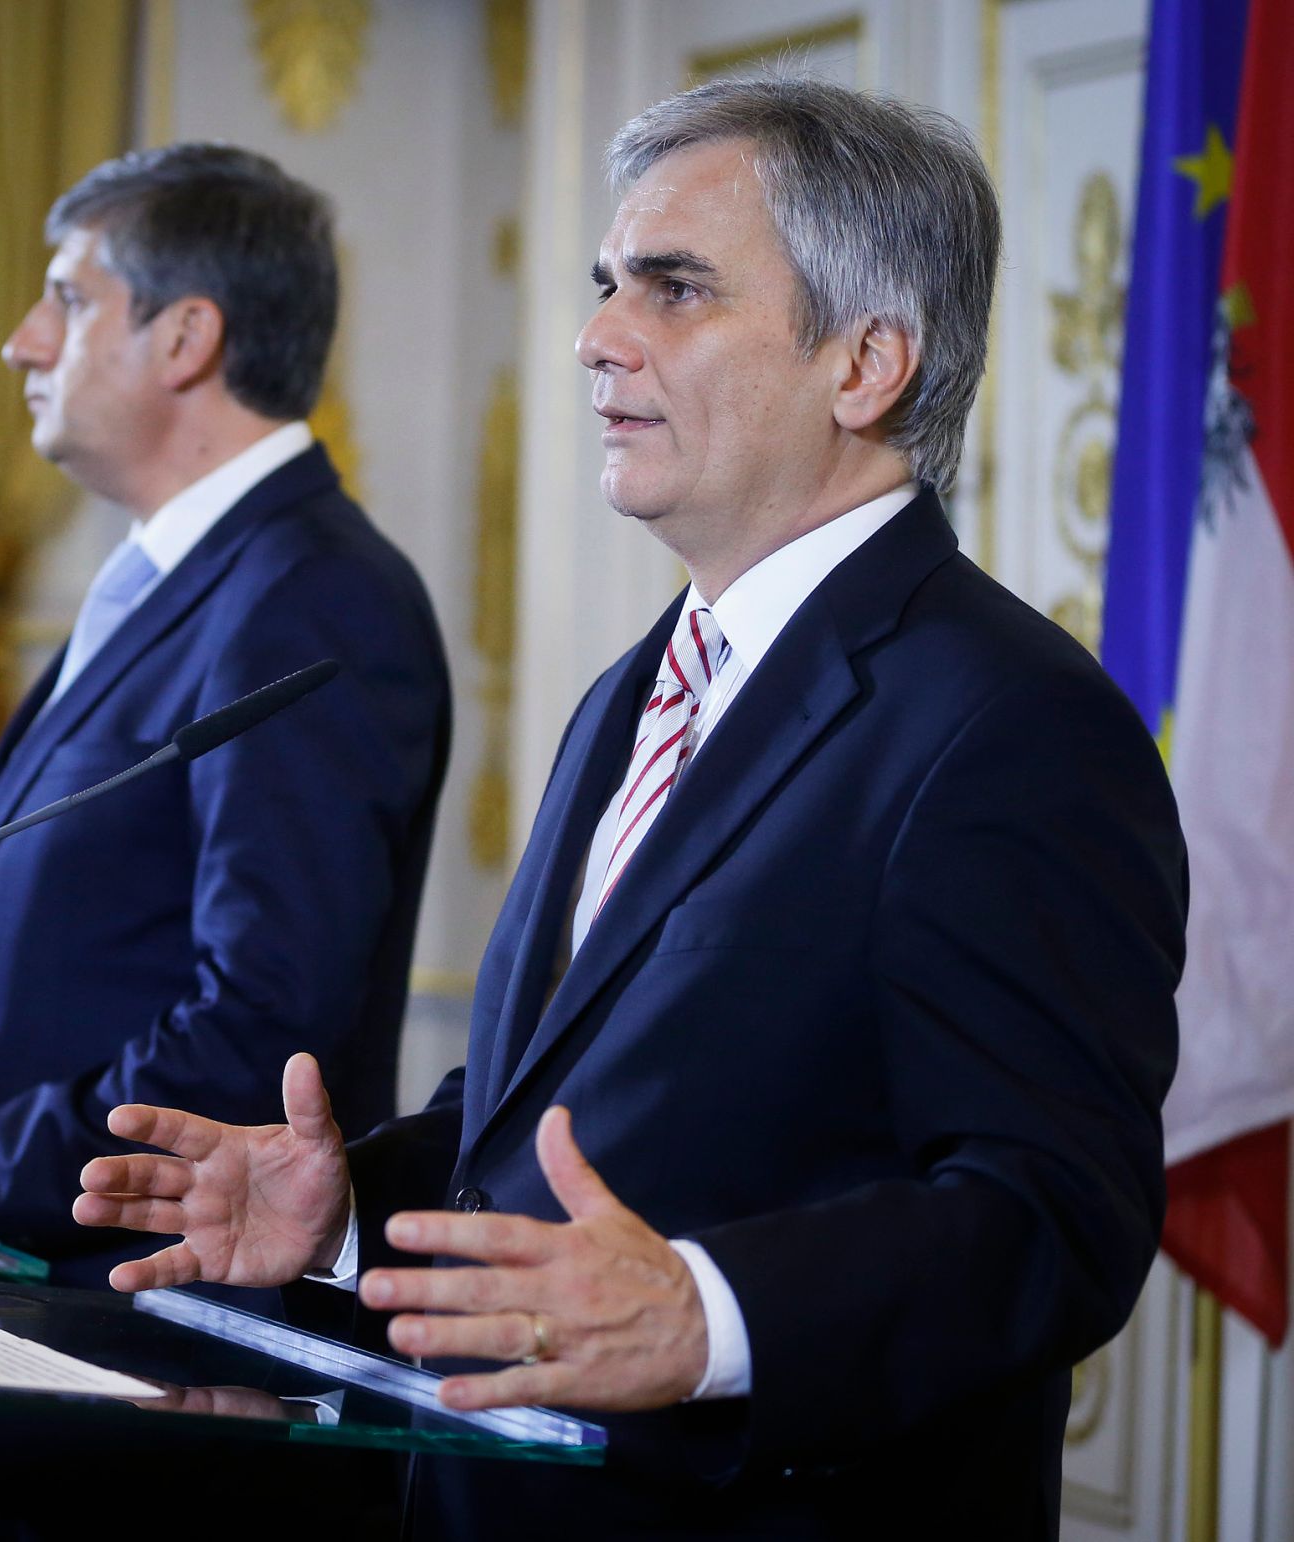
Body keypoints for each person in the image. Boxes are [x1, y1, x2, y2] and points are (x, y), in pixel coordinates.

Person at [74, 79, 1187, 1539]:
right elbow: (540, 1116)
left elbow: (1052, 1217)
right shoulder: (631, 689)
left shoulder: (1012, 722)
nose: (597, 338)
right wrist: (342, 1212)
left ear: (866, 362)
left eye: (674, 289)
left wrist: (709, 1314)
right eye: (607, 285)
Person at [0, 145, 451, 1294]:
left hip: (151, 1343)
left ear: (186, 339)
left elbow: (254, 1024)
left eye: (67, 299)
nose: (23, 341)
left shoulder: (310, 596)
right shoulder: (173, 576)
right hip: (23, 1293)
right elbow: (14, 962)